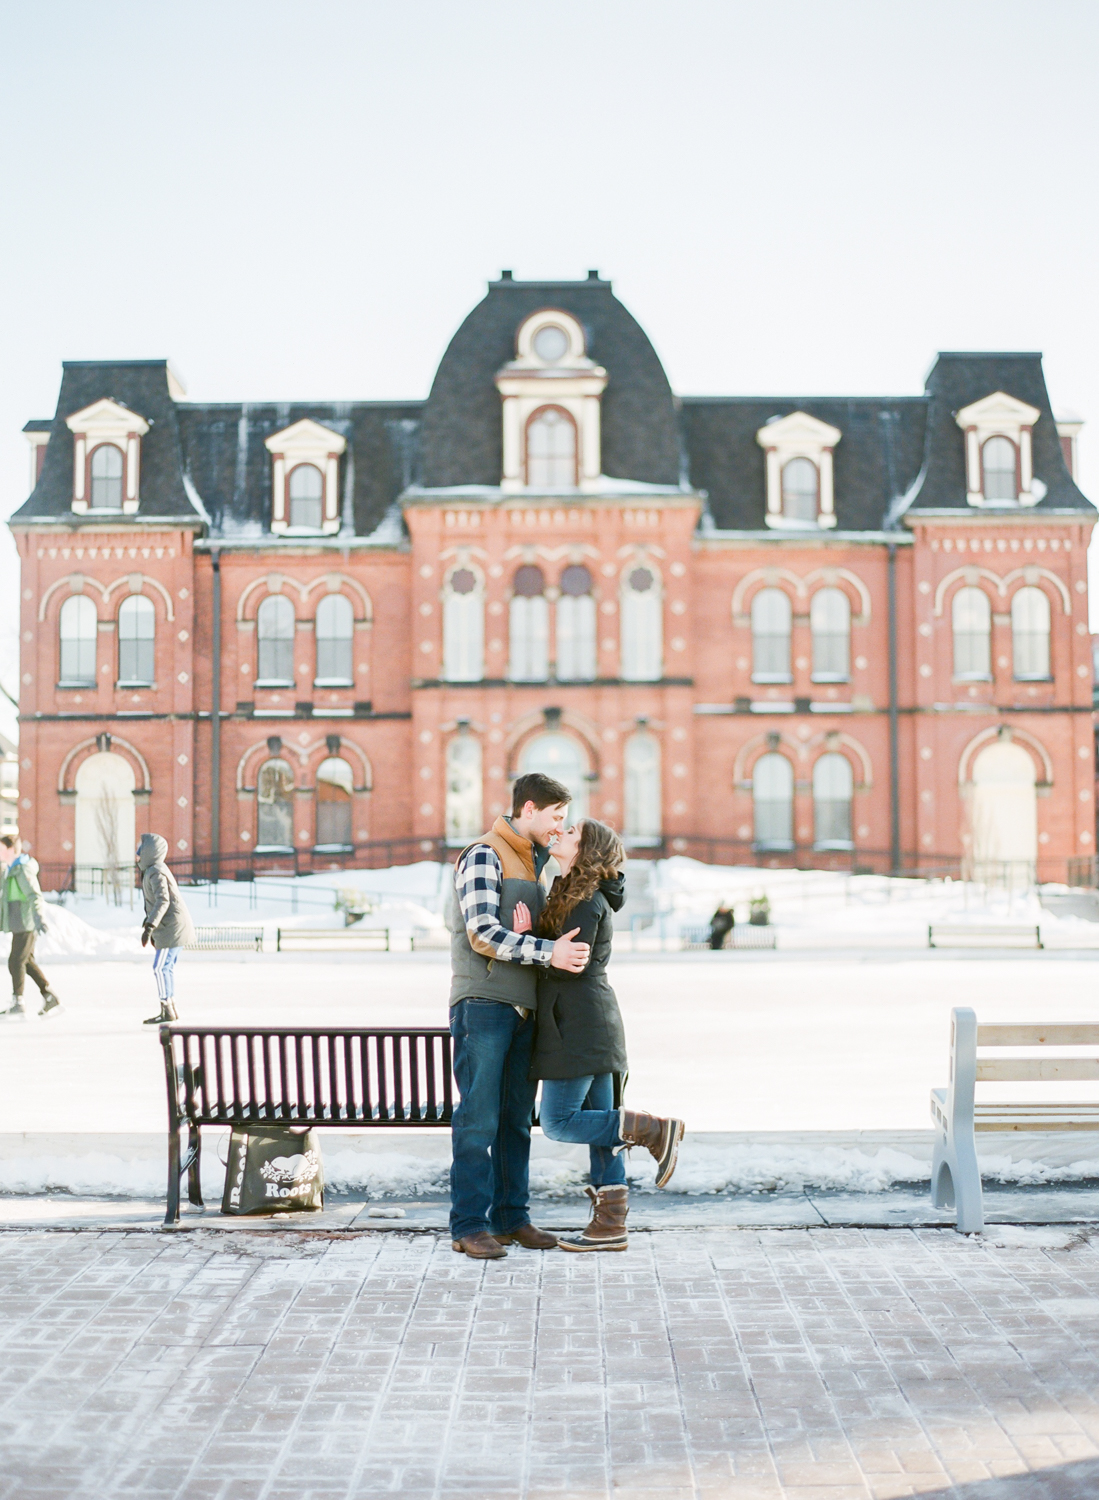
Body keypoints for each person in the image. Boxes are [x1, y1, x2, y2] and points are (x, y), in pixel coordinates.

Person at [515, 819, 685, 1252]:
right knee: (605, 1138)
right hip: (591, 1024)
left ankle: (652, 1129)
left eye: (570, 832)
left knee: (558, 1122)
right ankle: (610, 1227)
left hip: (578, 1026)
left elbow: (571, 965)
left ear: (586, 849)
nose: (560, 834)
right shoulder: (575, 893)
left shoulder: (583, 901)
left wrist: (525, 941)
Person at [448, 772, 591, 1260]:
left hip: (523, 1009)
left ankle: (511, 1218)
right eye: (555, 817)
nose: (559, 829)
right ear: (528, 809)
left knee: (513, 1121)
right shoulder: (484, 854)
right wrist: (543, 949)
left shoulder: (536, 863)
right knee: (478, 1120)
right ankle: (468, 1225)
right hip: (484, 1005)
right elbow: (482, 932)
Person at [137, 833, 196, 1025]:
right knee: (166, 967)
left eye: (141, 850)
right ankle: (170, 1006)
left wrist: (150, 926)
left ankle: (167, 1009)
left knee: (161, 967)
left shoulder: (155, 871)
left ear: (149, 852)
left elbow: (163, 900)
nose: (138, 853)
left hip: (172, 928)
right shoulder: (153, 870)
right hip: (171, 927)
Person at [0, 835, 60, 1019]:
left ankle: (18, 1002)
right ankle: (49, 995)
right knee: (26, 961)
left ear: (11, 850)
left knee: (16, 961)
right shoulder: (9, 869)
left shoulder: (22, 869)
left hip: (26, 922)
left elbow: (35, 896)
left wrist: (39, 917)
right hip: (18, 922)